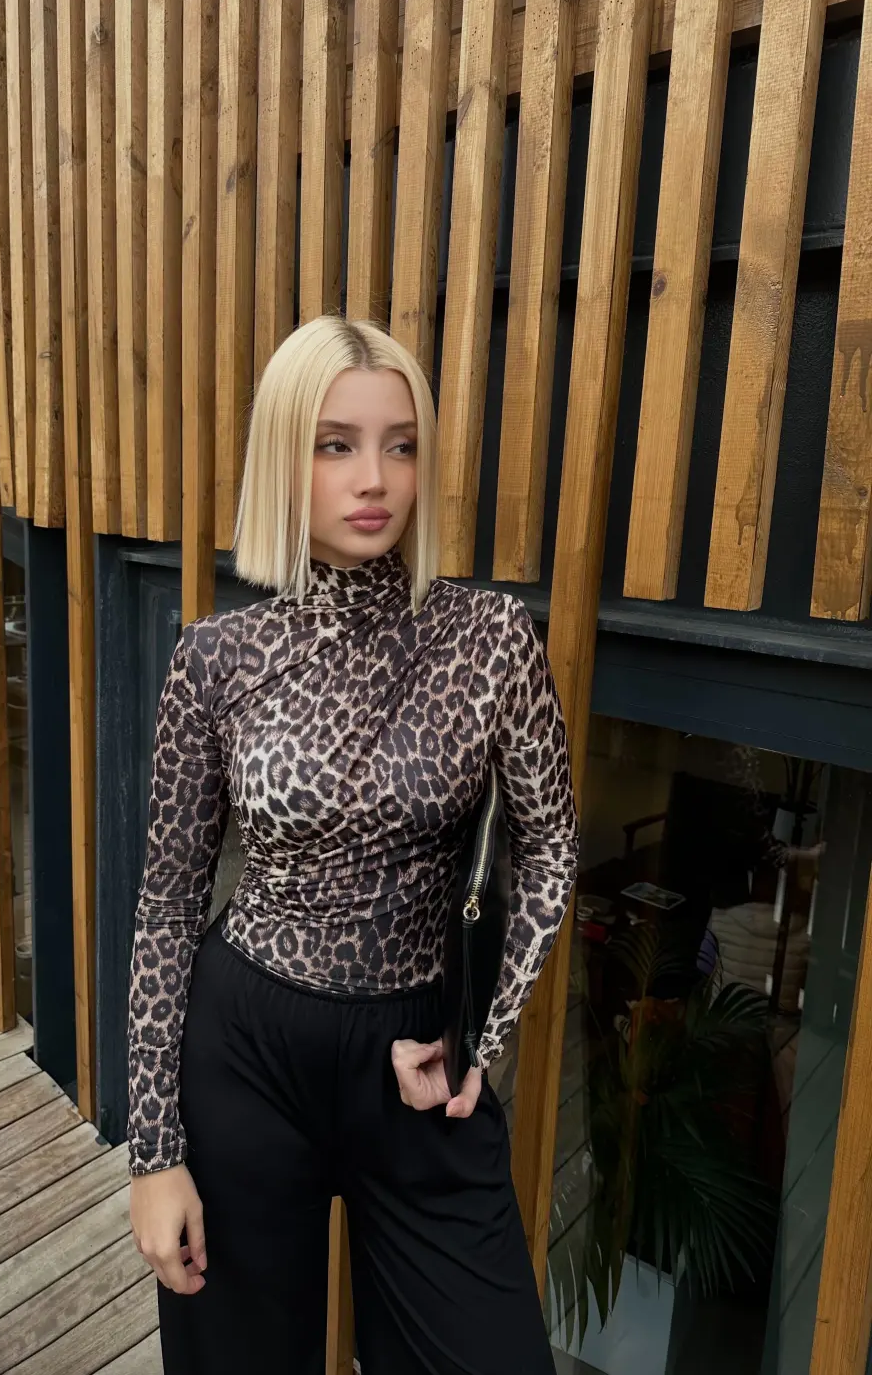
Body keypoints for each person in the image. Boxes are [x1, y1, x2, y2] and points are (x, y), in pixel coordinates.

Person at [126, 314, 580, 1374]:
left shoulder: (491, 639)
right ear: (286, 457)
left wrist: (481, 1038)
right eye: (337, 444)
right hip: (245, 1052)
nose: (375, 477)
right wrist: (153, 1152)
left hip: (416, 1061)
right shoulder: (216, 658)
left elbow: (550, 843)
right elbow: (167, 905)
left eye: (400, 444)